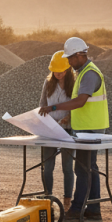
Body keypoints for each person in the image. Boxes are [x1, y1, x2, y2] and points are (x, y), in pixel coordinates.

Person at [38, 37, 109, 220]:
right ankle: (94, 210)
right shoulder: (83, 72)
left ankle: (77, 209)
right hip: (87, 127)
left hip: (90, 129)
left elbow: (80, 101)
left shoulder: (89, 74)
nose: (68, 62)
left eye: (70, 58)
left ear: (79, 55)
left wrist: (54, 108)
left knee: (82, 169)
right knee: (90, 167)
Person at [37, 50, 75, 208]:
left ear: (67, 69)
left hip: (67, 130)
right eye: (55, 71)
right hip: (51, 130)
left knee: (67, 167)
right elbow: (42, 105)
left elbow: (77, 105)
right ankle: (48, 198)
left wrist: (69, 118)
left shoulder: (74, 83)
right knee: (48, 167)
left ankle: (67, 200)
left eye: (61, 71)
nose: (58, 74)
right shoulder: (48, 83)